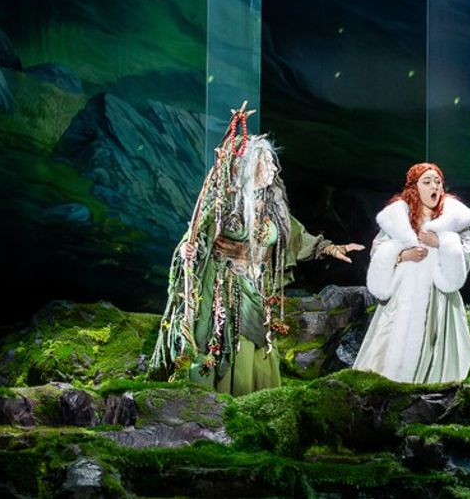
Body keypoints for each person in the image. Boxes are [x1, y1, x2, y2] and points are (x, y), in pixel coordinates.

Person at [149, 104, 364, 395]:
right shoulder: (223, 204)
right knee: (222, 337)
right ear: (247, 167)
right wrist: (189, 251)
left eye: (273, 162)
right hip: (223, 285)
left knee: (257, 339)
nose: (274, 168)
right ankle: (213, 394)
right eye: (266, 162)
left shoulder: (273, 206)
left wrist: (328, 249)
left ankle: (251, 393)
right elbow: (194, 240)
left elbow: (296, 236)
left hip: (257, 283)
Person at [353, 162, 470, 383]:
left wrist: (441, 242)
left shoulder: (453, 217)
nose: (434, 187)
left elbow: (469, 249)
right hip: (404, 294)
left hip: (438, 295)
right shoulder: (398, 217)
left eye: (438, 182)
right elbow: (379, 250)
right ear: (415, 187)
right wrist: (403, 255)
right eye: (427, 182)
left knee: (435, 343)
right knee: (391, 343)